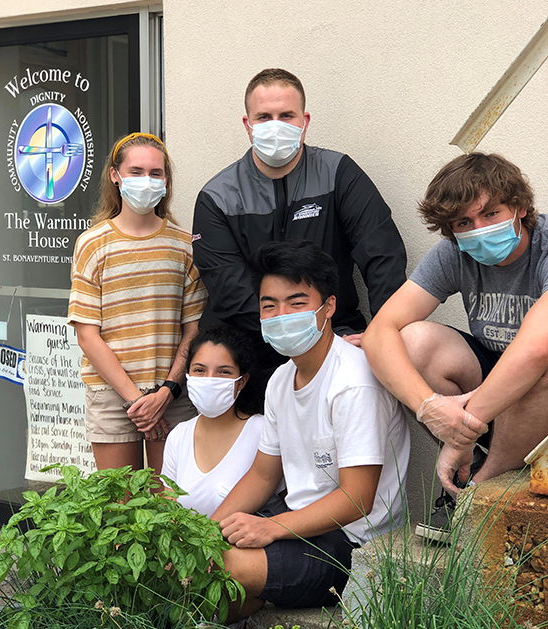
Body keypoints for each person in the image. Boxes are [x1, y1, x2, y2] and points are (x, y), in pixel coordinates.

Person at [210, 240, 410, 620]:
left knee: (224, 567)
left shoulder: (354, 380)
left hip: (352, 543)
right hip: (296, 523)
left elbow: (357, 500)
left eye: (297, 303)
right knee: (200, 567)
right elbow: (262, 473)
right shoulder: (281, 379)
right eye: (269, 305)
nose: (281, 314)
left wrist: (270, 529)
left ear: (329, 306)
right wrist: (201, 530)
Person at [361, 152, 548, 539]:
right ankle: (470, 467)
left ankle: (479, 486)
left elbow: (536, 349)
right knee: (414, 341)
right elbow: (381, 332)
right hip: (493, 393)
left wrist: (458, 435)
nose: (478, 229)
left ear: (521, 207)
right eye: (465, 222)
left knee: (533, 365)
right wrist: (429, 410)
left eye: (491, 213)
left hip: (535, 379)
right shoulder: (453, 254)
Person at [192, 68, 406, 374]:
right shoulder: (217, 197)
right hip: (249, 344)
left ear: (304, 122)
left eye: (287, 115)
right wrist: (292, 332)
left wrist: (384, 331)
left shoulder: (339, 173)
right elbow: (229, 291)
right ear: (248, 124)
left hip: (335, 334)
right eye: (264, 117)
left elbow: (383, 255)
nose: (275, 126)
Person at [68, 132, 207, 474]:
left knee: (170, 507)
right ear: (115, 176)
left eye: (155, 173)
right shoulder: (92, 244)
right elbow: (87, 334)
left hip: (171, 397)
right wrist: (136, 400)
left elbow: (194, 331)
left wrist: (164, 394)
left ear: (166, 180)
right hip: (113, 396)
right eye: (136, 171)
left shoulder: (184, 245)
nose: (146, 180)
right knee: (118, 508)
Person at [161, 326, 274, 518]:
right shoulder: (178, 436)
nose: (210, 380)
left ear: (241, 381)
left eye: (224, 372)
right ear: (187, 375)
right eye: (199, 370)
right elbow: (169, 515)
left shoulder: (263, 431)